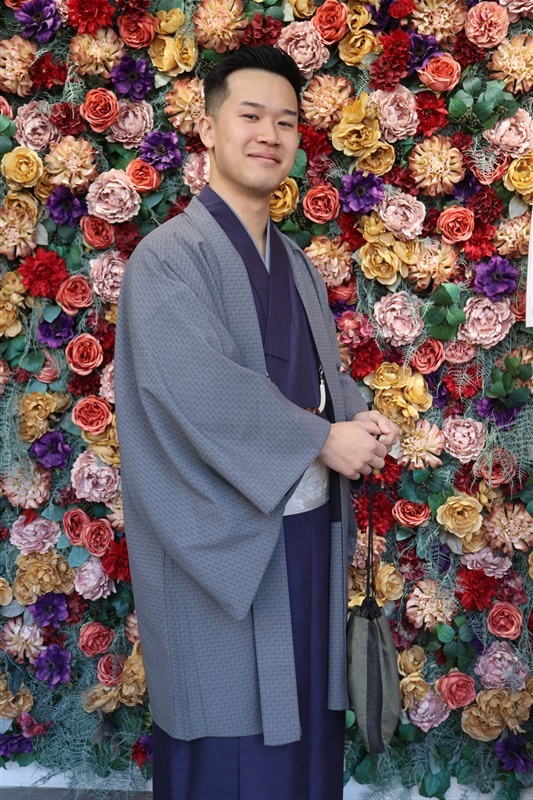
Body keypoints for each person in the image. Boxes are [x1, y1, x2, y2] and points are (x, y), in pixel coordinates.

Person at [114, 45, 398, 800]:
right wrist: (322, 439)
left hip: (301, 539)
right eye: (250, 115)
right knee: (229, 733)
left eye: (286, 121)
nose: (269, 134)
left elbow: (317, 377)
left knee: (304, 729)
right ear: (208, 129)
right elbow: (202, 392)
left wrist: (358, 418)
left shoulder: (296, 263)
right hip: (222, 546)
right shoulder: (167, 259)